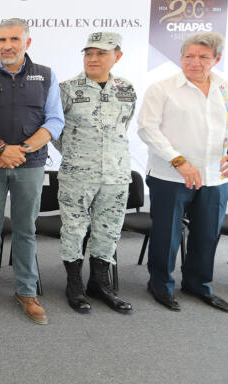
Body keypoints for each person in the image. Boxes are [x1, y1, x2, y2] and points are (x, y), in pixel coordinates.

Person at [0, 18, 64, 325]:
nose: (7, 45)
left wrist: (21, 151)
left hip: (30, 165)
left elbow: (54, 122)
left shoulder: (46, 76)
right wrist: (0, 150)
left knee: (26, 229)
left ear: (27, 43)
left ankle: (26, 290)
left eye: (13, 40)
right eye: (1, 40)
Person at [138, 31, 228, 313]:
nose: (195, 62)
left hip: (215, 176)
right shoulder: (162, 88)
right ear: (180, 57)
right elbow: (147, 128)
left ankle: (198, 284)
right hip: (171, 176)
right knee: (167, 234)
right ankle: (160, 284)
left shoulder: (226, 88)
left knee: (207, 234)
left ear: (215, 60)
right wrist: (179, 161)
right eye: (189, 56)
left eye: (203, 57)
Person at [54, 32, 134, 314]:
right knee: (74, 230)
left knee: (108, 231)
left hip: (116, 175)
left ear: (117, 56)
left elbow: (124, 125)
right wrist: (76, 154)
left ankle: (99, 284)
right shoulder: (66, 88)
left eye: (101, 53)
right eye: (89, 53)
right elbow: (54, 130)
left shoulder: (126, 89)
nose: (93, 58)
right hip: (78, 175)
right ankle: (74, 285)